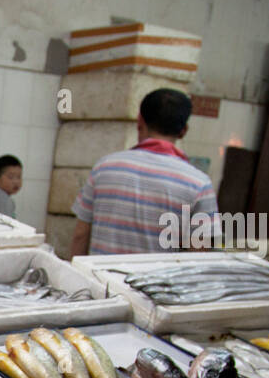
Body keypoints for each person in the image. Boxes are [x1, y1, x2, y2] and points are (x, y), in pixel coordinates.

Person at [69, 89, 217, 255]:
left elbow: (80, 235)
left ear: (140, 121)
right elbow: (198, 255)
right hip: (153, 281)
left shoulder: (104, 167)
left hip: (98, 280)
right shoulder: (199, 184)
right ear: (184, 130)